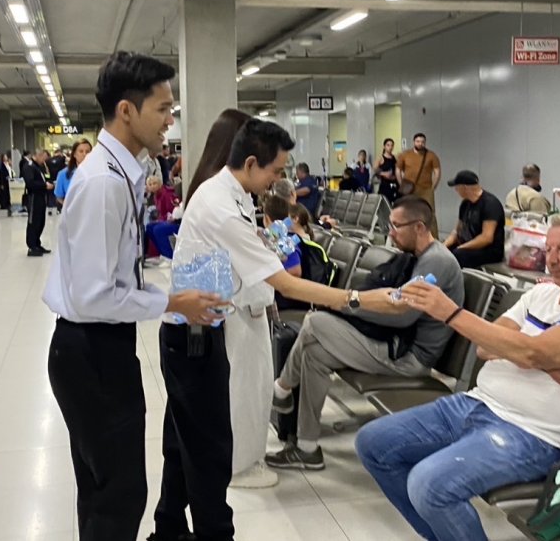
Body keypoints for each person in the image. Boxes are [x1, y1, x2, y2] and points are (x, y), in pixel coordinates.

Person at [153, 118, 395, 538]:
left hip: (199, 330)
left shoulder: (234, 195)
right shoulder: (220, 206)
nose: (280, 179)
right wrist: (358, 299)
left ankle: (169, 527)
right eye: (276, 170)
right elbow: (282, 281)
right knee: (209, 451)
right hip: (193, 339)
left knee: (182, 442)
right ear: (250, 162)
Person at [356, 213, 560, 541]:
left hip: (533, 433)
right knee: (373, 443)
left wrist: (453, 313)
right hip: (476, 403)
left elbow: (528, 351)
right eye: (548, 249)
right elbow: (485, 346)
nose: (550, 259)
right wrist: (543, 360)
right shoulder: (543, 295)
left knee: (430, 485)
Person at [43, 52, 225, 541]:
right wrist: (172, 303)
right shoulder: (103, 182)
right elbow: (97, 296)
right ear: (127, 111)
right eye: (163, 109)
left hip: (101, 347)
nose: (171, 120)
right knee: (118, 493)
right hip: (91, 351)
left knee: (108, 488)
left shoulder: (123, 173)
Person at [267, 196, 463, 471]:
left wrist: (349, 305)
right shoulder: (419, 257)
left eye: (396, 225)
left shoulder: (437, 262)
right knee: (315, 353)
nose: (389, 231)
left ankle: (281, 389)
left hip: (409, 358)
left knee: (316, 322)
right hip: (393, 344)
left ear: (419, 227)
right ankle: (307, 448)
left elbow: (403, 315)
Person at [443, 170, 505, 269]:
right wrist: (444, 246)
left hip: (488, 250)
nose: (455, 190)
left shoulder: (490, 204)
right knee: (442, 253)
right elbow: (457, 230)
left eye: (457, 187)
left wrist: (461, 247)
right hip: (468, 244)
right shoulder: (465, 204)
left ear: (465, 187)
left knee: (458, 255)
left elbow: (486, 238)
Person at [396, 133, 441, 236]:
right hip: (409, 190)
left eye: (422, 142)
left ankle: (433, 238)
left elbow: (437, 171)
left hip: (426, 190)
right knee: (409, 213)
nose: (420, 144)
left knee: (430, 214)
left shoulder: (431, 155)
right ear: (414, 142)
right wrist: (401, 183)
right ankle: (409, 237)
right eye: (418, 141)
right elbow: (398, 169)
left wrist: (433, 187)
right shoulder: (405, 155)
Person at [22, 150, 54, 256]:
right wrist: (44, 186)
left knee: (40, 221)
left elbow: (43, 178)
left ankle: (37, 243)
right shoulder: (29, 166)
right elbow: (30, 183)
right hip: (34, 197)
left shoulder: (38, 167)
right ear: (39, 155)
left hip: (41, 197)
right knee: (33, 222)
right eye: (44, 158)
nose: (44, 161)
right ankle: (31, 246)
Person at [145, 175, 181, 260]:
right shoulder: (155, 195)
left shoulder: (167, 194)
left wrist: (161, 220)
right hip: (166, 220)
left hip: (176, 221)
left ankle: (169, 257)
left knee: (158, 229)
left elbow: (172, 212)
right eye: (150, 184)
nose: (152, 186)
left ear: (160, 184)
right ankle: (161, 252)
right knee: (149, 227)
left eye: (155, 183)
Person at [54, 138, 93, 208]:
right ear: (74, 154)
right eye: (81, 151)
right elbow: (59, 197)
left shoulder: (97, 173)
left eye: (87, 152)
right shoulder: (63, 174)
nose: (85, 154)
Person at [375, 137, 399, 204]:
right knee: (385, 204)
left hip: (394, 184)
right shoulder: (380, 158)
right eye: (388, 145)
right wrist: (383, 173)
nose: (390, 147)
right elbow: (375, 169)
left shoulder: (395, 157)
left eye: (392, 145)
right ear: (384, 146)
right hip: (384, 185)